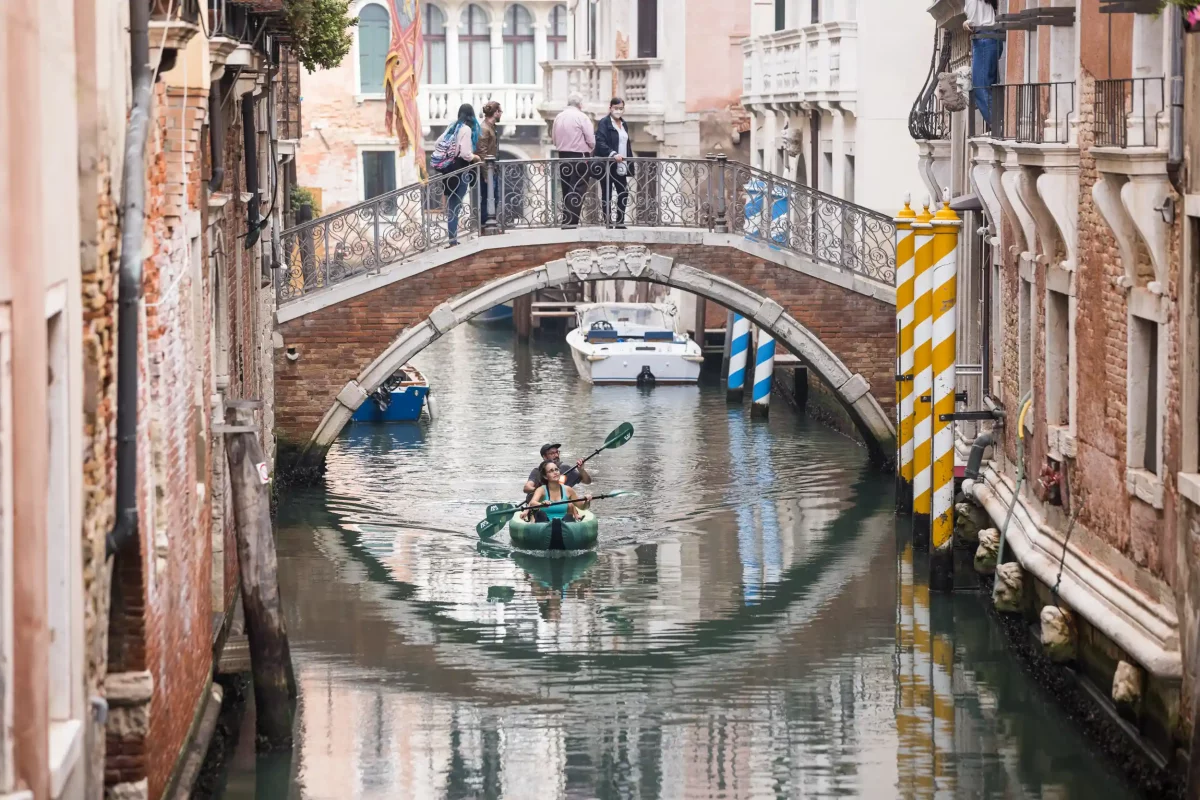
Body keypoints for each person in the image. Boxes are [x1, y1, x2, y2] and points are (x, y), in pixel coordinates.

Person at [436, 103, 481, 245]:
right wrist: (476, 158)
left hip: (448, 170)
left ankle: (452, 239)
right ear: (471, 115)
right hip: (460, 169)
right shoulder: (466, 129)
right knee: (456, 205)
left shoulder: (452, 126)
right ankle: (453, 240)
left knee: (452, 206)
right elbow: (466, 153)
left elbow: (438, 143)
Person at [551, 93, 595, 228]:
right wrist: (589, 148)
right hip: (580, 157)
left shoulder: (558, 117)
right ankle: (571, 223)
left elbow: (553, 139)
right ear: (580, 104)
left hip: (563, 156)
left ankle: (566, 220)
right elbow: (591, 140)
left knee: (567, 188)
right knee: (577, 189)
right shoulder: (582, 117)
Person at [593, 97, 633, 228]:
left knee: (623, 191)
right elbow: (600, 142)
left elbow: (626, 144)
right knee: (607, 193)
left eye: (621, 108)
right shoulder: (604, 123)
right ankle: (608, 222)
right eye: (616, 108)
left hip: (622, 165)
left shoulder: (624, 124)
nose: (618, 111)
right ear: (610, 108)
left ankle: (620, 222)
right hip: (608, 164)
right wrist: (613, 154)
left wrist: (629, 162)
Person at [964, 0, 1002, 127]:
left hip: (983, 40)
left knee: (980, 87)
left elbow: (973, 22)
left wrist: (966, 23)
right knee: (991, 85)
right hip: (992, 38)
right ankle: (1000, 122)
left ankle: (997, 126)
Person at [522, 460, 591, 522]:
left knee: (568, 516)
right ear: (545, 476)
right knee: (541, 514)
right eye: (551, 471)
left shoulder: (568, 490)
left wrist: (587, 501)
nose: (555, 472)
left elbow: (582, 507)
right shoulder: (541, 490)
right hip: (546, 524)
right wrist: (541, 504)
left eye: (556, 470)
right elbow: (532, 503)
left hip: (563, 525)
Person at [523, 442, 591, 497]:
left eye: (557, 452)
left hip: (562, 504)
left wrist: (581, 470)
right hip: (542, 505)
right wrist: (542, 491)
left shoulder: (566, 469)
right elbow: (526, 488)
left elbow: (587, 481)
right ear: (544, 457)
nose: (556, 455)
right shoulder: (537, 471)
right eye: (552, 453)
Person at [477, 101, 502, 225]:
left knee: (494, 197)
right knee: (488, 198)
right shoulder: (484, 128)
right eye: (500, 111)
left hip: (493, 169)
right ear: (496, 112)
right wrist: (487, 174)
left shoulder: (491, 127)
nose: (501, 114)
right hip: (488, 171)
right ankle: (485, 225)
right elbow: (482, 153)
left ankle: (490, 222)